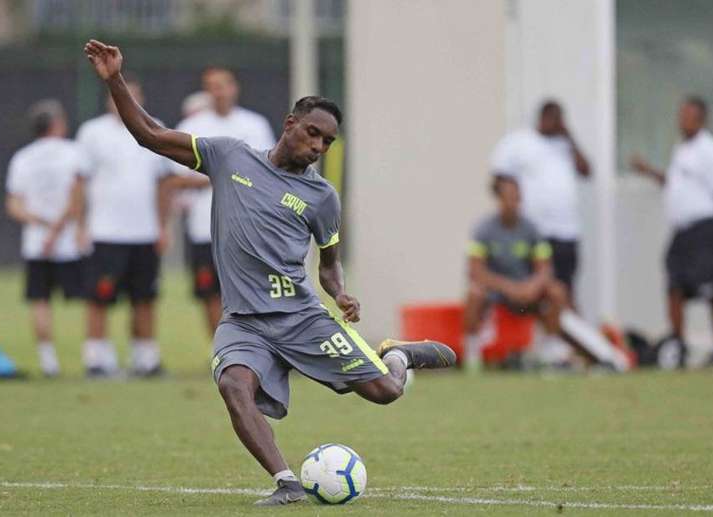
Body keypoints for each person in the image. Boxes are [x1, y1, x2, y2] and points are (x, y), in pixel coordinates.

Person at [83, 39, 456, 505]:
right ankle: (287, 483)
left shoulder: (322, 198)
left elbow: (330, 266)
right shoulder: (229, 157)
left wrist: (339, 295)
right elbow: (150, 135)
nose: (318, 146)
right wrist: (116, 78)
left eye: (328, 142)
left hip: (300, 317)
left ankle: (397, 355)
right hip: (243, 321)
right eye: (314, 134)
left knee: (385, 392)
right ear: (290, 125)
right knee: (232, 384)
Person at [74, 75, 175, 377]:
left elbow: (163, 183)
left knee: (144, 297)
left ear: (140, 99)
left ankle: (146, 358)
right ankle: (96, 359)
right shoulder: (92, 133)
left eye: (133, 96)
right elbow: (80, 181)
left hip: (143, 233)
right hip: (105, 232)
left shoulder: (153, 127)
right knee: (99, 297)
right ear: (110, 99)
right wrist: (81, 225)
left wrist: (162, 226)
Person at [631, 96, 713, 367]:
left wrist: (703, 213)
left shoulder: (709, 149)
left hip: (705, 229)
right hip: (682, 231)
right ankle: (679, 346)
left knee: (710, 290)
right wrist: (649, 172)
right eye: (680, 115)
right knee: (674, 286)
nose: (681, 120)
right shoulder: (681, 149)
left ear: (701, 119)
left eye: (687, 115)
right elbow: (676, 184)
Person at [170, 67, 276, 335]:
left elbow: (268, 172)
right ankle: (222, 347)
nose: (218, 92)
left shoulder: (255, 125)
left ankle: (256, 348)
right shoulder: (192, 128)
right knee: (209, 293)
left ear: (234, 88)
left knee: (252, 292)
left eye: (223, 85)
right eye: (212, 87)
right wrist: (224, 175)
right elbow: (176, 177)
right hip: (204, 226)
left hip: (248, 227)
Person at [5, 99, 87, 377]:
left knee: (40, 300)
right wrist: (59, 228)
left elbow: (14, 205)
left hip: (36, 244)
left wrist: (41, 224)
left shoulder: (22, 158)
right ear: (57, 124)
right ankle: (94, 357)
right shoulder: (73, 153)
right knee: (90, 300)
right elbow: (77, 197)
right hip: (68, 243)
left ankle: (48, 362)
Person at [464, 176, 570, 368]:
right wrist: (509, 287)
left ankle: (551, 348)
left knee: (557, 291)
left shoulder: (531, 229)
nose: (514, 202)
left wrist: (532, 286)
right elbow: (476, 271)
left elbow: (544, 267)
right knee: (474, 292)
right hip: (497, 291)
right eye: (508, 197)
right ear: (498, 199)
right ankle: (472, 352)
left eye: (517, 197)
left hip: (527, 290)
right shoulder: (483, 229)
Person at [490, 100, 591, 299]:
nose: (557, 124)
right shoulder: (520, 142)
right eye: (553, 119)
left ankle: (560, 330)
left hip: (565, 232)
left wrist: (569, 137)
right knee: (535, 287)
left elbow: (586, 171)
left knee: (564, 290)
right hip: (535, 230)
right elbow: (499, 177)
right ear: (542, 118)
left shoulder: (565, 145)